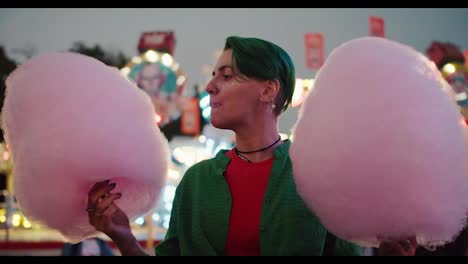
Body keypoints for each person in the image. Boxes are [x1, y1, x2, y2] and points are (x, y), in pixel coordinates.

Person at [86, 36, 418, 256]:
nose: (212, 86)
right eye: (214, 75)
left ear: (268, 90)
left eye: (227, 76)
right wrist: (123, 236)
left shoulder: (319, 178)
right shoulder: (196, 182)